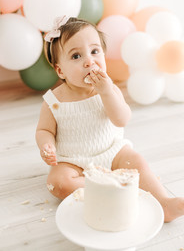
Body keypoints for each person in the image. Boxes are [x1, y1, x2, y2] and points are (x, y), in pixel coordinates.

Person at [36, 16, 184, 222]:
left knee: (137, 161)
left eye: (95, 51)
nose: (89, 61)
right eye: (76, 56)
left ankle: (164, 203)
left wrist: (106, 93)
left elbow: (122, 119)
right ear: (61, 70)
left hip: (113, 152)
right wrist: (46, 146)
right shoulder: (54, 100)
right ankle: (117, 187)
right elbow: (44, 130)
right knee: (57, 183)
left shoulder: (109, 89)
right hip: (74, 162)